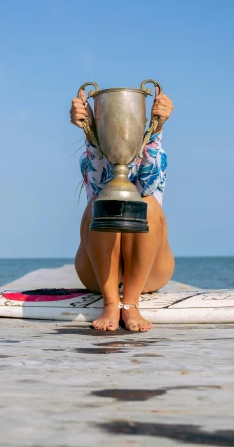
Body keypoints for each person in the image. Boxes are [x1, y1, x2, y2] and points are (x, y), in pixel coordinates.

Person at [70, 88, 175, 332]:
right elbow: (100, 182)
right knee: (101, 202)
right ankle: (110, 303)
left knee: (147, 204)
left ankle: (130, 304)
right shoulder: (91, 158)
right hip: (99, 274)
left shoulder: (154, 151)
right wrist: (90, 133)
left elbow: (147, 186)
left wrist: (156, 130)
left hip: (149, 274)